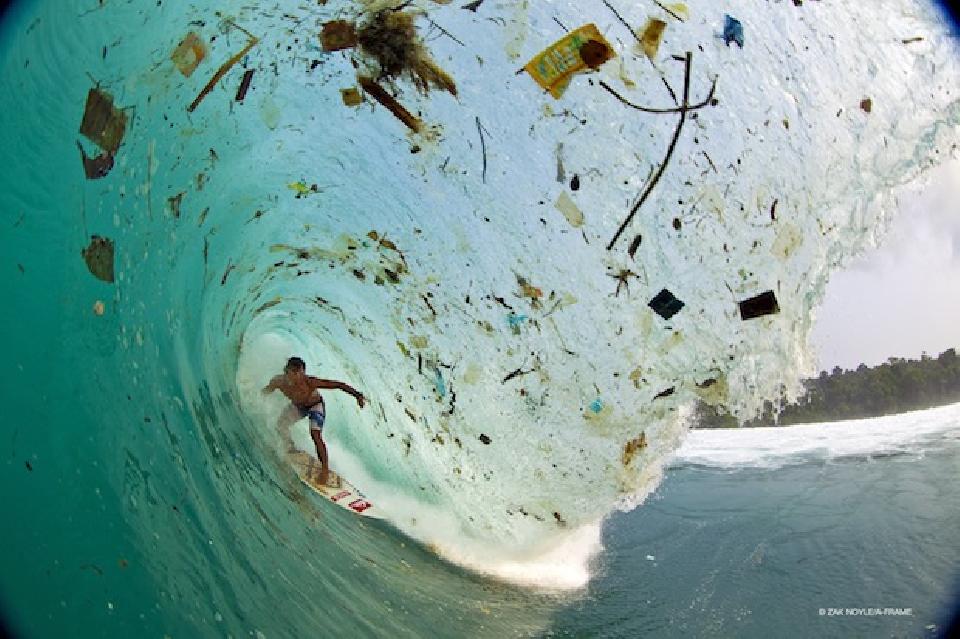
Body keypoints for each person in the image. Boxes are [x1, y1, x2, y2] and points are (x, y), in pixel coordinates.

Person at [262, 356, 365, 485]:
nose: (299, 376)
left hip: (315, 405)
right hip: (299, 407)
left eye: (301, 373)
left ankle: (325, 470)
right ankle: (291, 447)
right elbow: (266, 391)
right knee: (281, 425)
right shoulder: (278, 381)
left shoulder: (310, 382)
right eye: (294, 373)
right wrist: (253, 398)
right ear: (287, 371)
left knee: (315, 434)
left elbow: (338, 385)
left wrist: (358, 395)